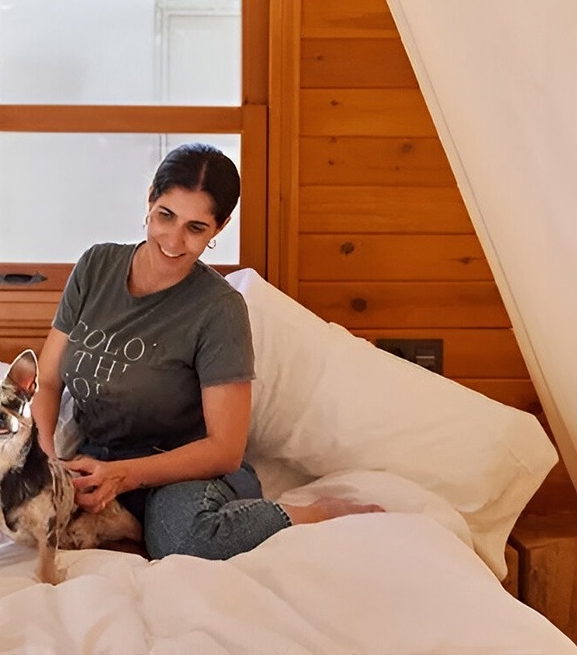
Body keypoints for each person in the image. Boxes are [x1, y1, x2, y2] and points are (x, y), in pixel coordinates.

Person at [29, 142, 382, 561]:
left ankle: (314, 514)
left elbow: (224, 448)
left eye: (196, 228)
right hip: (95, 458)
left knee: (185, 541)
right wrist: (44, 459)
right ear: (150, 200)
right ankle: (127, 525)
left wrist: (126, 475)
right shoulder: (96, 266)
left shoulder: (219, 309)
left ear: (220, 226)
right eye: (166, 216)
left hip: (178, 469)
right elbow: (49, 379)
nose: (174, 240)